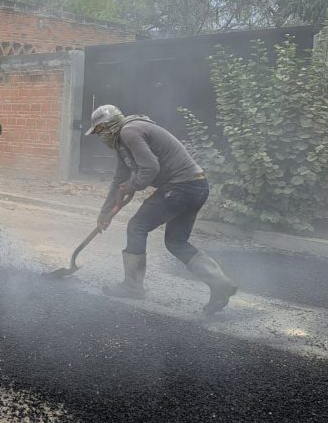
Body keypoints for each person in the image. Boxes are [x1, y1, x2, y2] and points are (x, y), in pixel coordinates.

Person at [87, 104, 237, 313]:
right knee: (176, 242)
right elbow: (120, 178)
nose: (100, 136)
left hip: (180, 187)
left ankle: (132, 286)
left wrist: (132, 185)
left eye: (100, 130)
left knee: (137, 227)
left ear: (111, 125)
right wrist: (105, 212)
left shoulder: (129, 131)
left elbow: (150, 167)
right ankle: (221, 284)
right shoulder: (123, 142)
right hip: (197, 186)